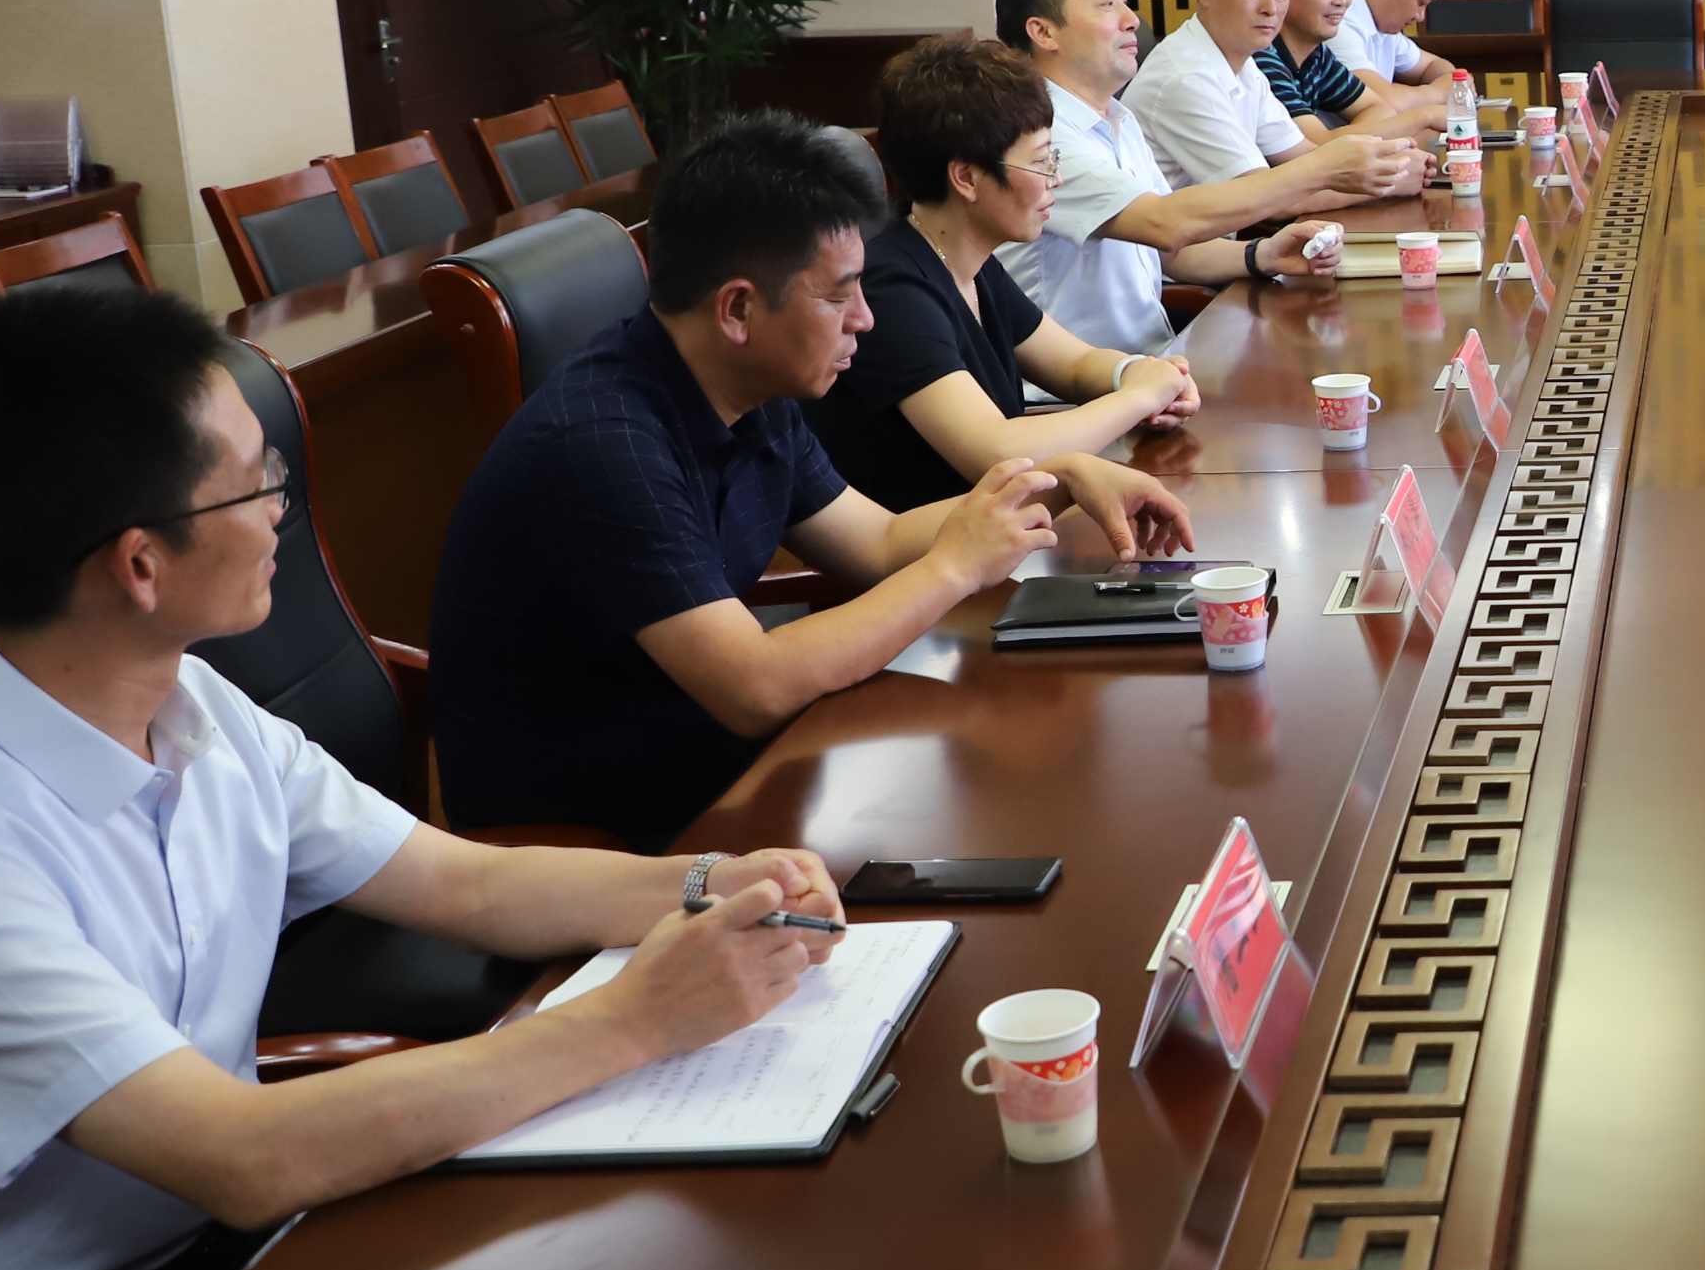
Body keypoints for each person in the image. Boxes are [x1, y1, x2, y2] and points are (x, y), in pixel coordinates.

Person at [0, 285, 847, 1270]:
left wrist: (705, 883)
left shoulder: (188, 703)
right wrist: (637, 1018)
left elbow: (464, 880)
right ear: (140, 564)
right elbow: (240, 1155)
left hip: (203, 1266)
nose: (283, 504)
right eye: (257, 480)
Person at [433, 113, 1167, 851]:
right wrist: (953, 567)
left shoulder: (748, 388)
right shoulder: (601, 446)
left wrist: (1057, 480)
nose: (865, 320)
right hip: (605, 839)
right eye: (838, 296)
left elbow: (879, 541)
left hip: (733, 772)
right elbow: (755, 688)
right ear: (739, 309)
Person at [807, 35, 1210, 513]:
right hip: (928, 544)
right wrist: (1139, 398)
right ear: (966, 178)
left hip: (1000, 529)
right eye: (1041, 161)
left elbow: (1074, 365)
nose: (1056, 178)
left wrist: (1139, 372)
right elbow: (998, 453)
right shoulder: (890, 288)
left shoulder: (970, 261)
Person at [995, 0, 1411, 357]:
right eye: (1107, 5)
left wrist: (1264, 254)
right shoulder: (1041, 134)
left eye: (1124, 1)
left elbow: (1172, 253)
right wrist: (1321, 169)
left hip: (1149, 362)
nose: (1131, 19)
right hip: (1075, 384)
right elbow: (1163, 224)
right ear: (1044, 32)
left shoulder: (1117, 118)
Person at [1123, 0, 1322, 186]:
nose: (1271, 8)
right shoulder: (1185, 77)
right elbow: (1258, 193)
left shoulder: (1244, 63)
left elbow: (1303, 156)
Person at [1258, 0, 1451, 138]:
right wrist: (1425, 116)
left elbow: (1379, 108)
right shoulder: (1262, 59)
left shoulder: (1318, 56)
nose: (1343, 1)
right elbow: (1317, 144)